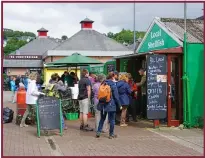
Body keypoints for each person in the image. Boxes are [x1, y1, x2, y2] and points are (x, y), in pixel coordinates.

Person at [96, 72, 122, 139]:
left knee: (102, 118)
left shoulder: (103, 83)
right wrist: (119, 105)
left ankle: (98, 132)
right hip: (111, 104)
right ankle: (111, 134)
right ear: (113, 77)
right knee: (112, 120)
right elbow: (116, 96)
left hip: (102, 103)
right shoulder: (113, 84)